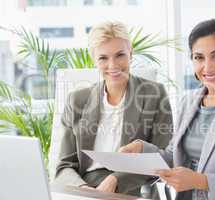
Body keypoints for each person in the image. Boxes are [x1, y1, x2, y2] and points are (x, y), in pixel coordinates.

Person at [119, 19, 215, 200]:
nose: (207, 67)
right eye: (199, 57)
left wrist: (200, 181)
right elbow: (174, 157)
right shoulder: (189, 100)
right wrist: (142, 149)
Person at [54, 21, 173, 196]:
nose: (113, 65)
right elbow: (64, 165)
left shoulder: (154, 94)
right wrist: (84, 191)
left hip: (133, 187)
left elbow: (162, 157)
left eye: (120, 55)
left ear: (130, 54)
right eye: (103, 58)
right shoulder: (77, 100)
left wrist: (116, 179)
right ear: (94, 59)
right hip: (85, 188)